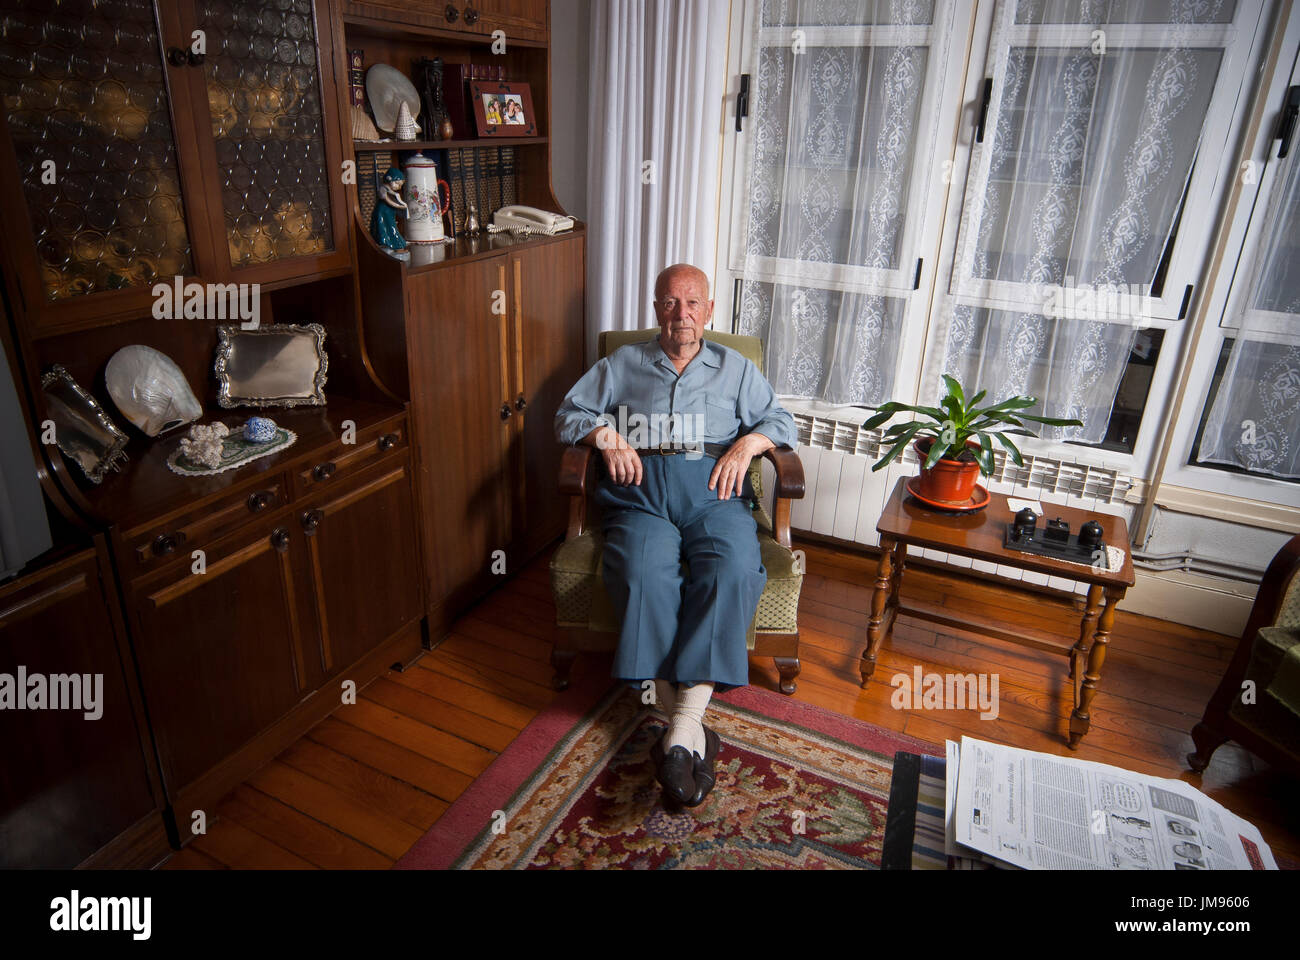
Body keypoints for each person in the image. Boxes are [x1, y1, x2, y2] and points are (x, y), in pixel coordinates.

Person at [554, 264, 797, 808]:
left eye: (692, 303)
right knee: (641, 573)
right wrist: (605, 434)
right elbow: (568, 412)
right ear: (655, 308)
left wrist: (748, 443)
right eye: (669, 302)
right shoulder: (622, 362)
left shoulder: (735, 369)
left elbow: (783, 421)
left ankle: (678, 734)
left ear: (709, 311)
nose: (680, 314)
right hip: (641, 490)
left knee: (732, 569)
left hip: (714, 488)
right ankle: (690, 732)